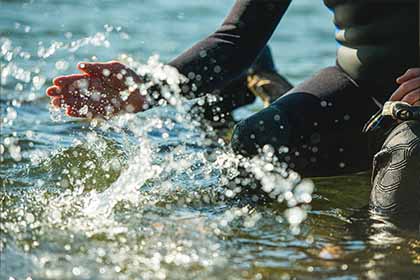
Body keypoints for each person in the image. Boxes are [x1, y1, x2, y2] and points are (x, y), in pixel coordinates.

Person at [46, 0, 420, 216]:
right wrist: (144, 90)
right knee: (256, 141)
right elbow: (237, 39)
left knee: (397, 193)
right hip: (357, 85)